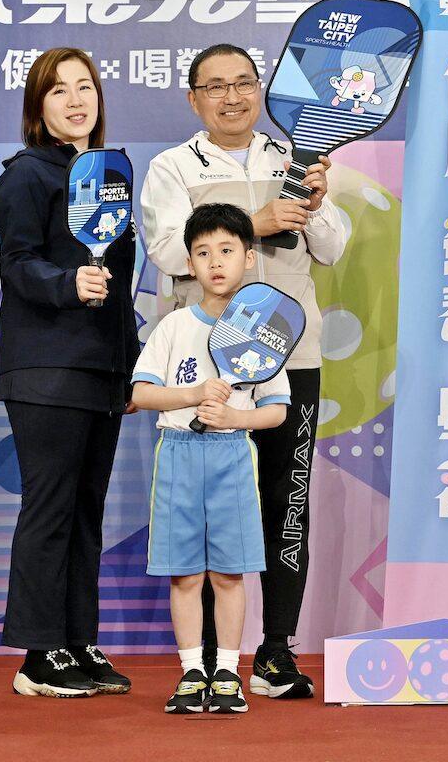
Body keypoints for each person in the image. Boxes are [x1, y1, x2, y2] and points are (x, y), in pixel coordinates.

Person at [138, 44, 347, 698]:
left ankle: (276, 651)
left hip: (291, 356)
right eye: (215, 86)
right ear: (193, 98)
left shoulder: (294, 157)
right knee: (206, 508)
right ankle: (208, 660)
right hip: (205, 366)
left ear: (261, 90)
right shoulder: (173, 166)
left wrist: (317, 201)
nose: (232, 97)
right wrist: (254, 224)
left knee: (289, 500)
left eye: (244, 83)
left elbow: (334, 246)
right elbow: (166, 250)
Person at [0, 48, 137, 698]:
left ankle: (78, 639)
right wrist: (65, 283)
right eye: (58, 90)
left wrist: (129, 367)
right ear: (37, 105)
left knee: (86, 512)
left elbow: (123, 286)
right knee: (50, 508)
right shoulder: (27, 175)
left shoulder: (108, 175)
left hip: (102, 372)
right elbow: (17, 263)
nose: (75, 100)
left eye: (85, 87)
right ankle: (38, 652)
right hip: (47, 370)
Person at [131, 203, 290, 715]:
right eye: (203, 253)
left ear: (248, 257)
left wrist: (234, 418)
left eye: (227, 250)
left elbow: (276, 410)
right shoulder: (174, 326)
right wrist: (193, 394)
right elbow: (140, 393)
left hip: (232, 457)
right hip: (177, 455)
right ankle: (191, 673)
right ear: (189, 264)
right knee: (184, 575)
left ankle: (226, 672)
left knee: (228, 573)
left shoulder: (262, 330)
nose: (216, 262)